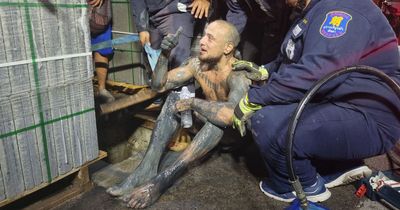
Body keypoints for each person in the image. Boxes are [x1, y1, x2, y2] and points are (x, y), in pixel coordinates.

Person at [232, 0, 400, 203]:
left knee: (267, 122)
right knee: (273, 112)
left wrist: (254, 98)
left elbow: (316, 73)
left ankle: (304, 185)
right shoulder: (315, 9)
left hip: (369, 118)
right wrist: (264, 70)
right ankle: (336, 165)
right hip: (342, 103)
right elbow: (295, 57)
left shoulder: (342, 10)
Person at [107, 20, 251, 208]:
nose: (202, 41)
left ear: (227, 48)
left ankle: (161, 181)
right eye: (204, 35)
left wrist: (192, 103)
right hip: (207, 126)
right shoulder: (198, 64)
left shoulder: (238, 74)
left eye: (210, 38)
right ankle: (146, 168)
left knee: (217, 120)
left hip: (233, 135)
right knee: (174, 98)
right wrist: (164, 55)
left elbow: (231, 116)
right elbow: (158, 85)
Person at [131, 0, 211, 69]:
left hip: (176, 11)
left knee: (178, 61)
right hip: (151, 14)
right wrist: (142, 27)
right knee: (155, 68)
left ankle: (184, 86)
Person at [225, 0, 292, 64]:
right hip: (255, 17)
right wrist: (227, 40)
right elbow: (236, 11)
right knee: (248, 58)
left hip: (283, 19)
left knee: (271, 60)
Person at [89, 0, 115, 103]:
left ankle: (101, 89)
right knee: (78, 51)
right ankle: (85, 90)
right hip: (73, 12)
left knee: (102, 49)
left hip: (99, 13)